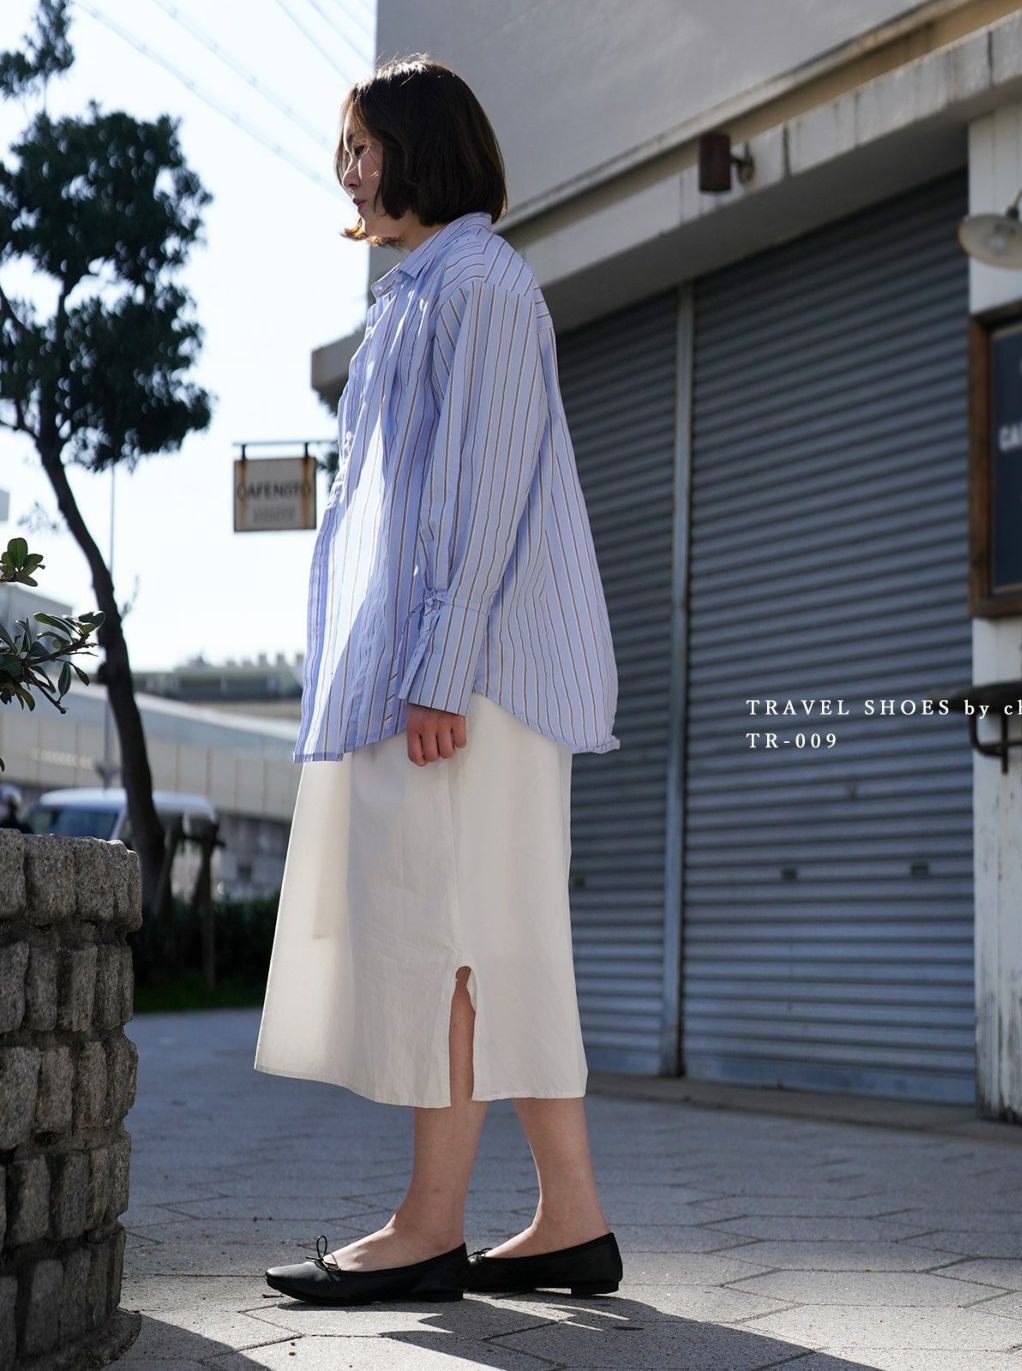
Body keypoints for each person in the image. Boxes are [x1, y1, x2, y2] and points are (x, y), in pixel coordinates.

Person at [255, 53, 623, 1307]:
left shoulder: (478, 285)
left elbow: (486, 488)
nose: (349, 171)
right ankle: (571, 1221)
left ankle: (428, 1229)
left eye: (363, 146)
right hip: (453, 674)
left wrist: (437, 672)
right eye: (347, 150)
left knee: (447, 941)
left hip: (469, 681)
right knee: (496, 938)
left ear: (420, 149)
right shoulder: (425, 292)